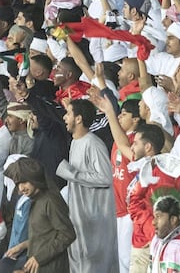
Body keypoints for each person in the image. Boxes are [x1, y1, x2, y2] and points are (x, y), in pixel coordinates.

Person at [56, 99, 117, 273]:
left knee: (92, 265)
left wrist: (71, 174)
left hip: (94, 217)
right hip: (79, 214)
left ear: (79, 119)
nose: (64, 117)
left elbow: (105, 178)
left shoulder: (93, 143)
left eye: (68, 113)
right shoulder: (76, 141)